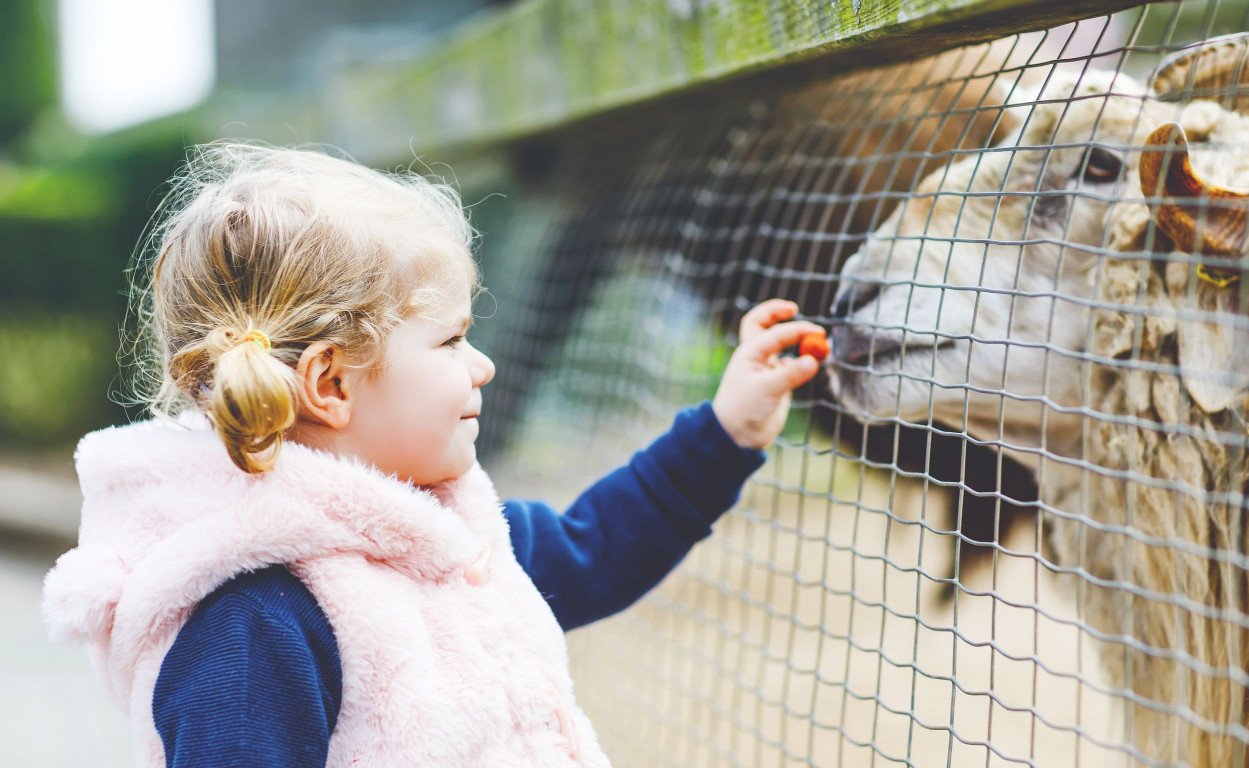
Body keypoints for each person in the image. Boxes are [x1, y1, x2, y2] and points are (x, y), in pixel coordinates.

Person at [42, 143, 826, 768]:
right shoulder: (254, 624)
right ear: (331, 384)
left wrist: (726, 430)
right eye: (451, 340)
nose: (481, 365)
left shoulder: (451, 538)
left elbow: (596, 549)